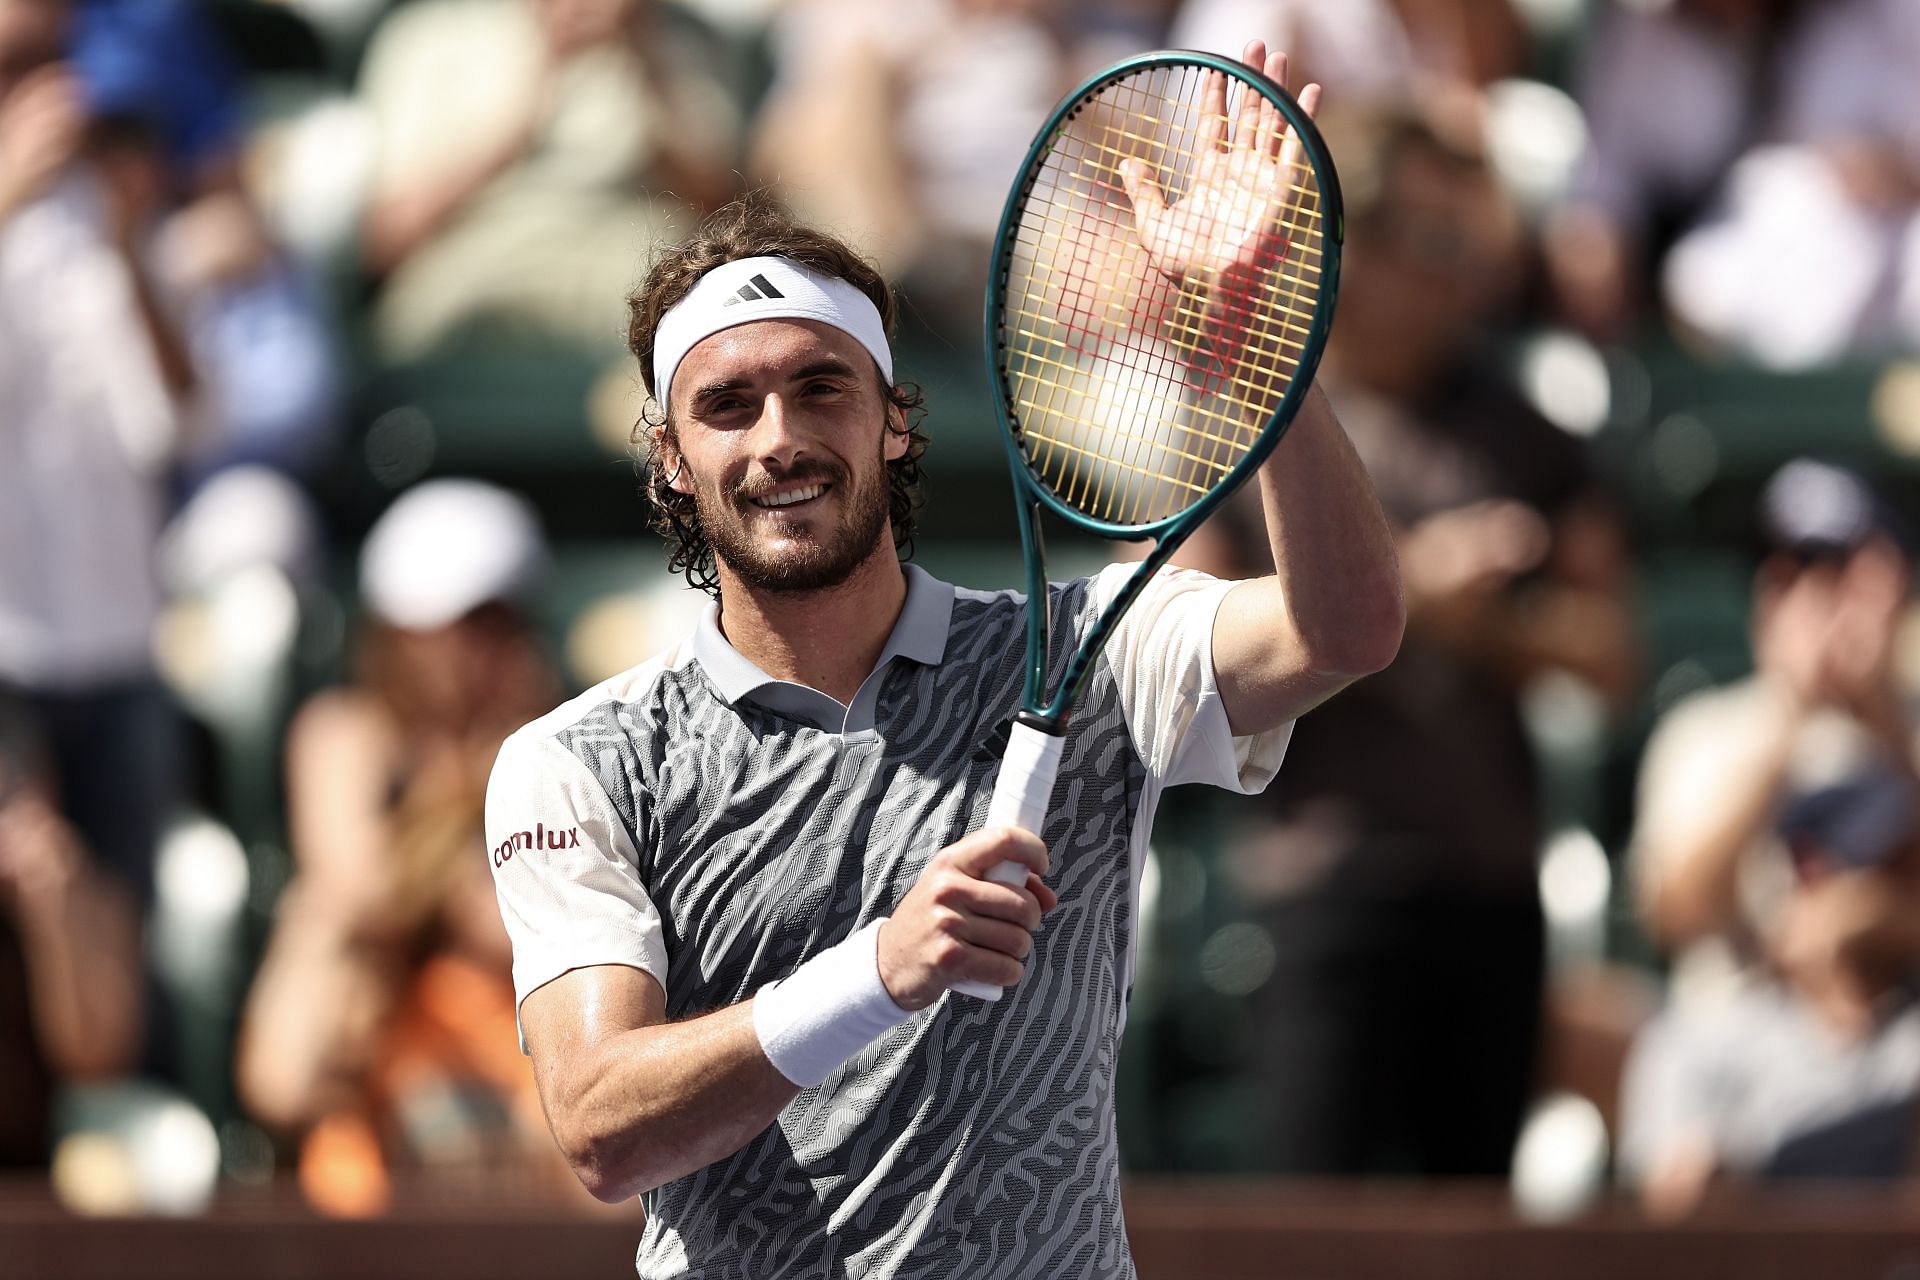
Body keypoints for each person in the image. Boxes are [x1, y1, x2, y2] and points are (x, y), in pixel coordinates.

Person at [485, 42, 1404, 1277]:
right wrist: (878, 970)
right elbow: (599, 1125)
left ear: (893, 418)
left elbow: (1342, 627)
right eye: (728, 405)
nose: (782, 438)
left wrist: (1254, 346)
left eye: (823, 387)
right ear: (667, 456)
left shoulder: (1088, 651)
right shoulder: (578, 761)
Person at [236, 480, 576, 1216]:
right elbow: (360, 892)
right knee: (319, 924)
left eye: (495, 623)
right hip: (371, 1037)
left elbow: (522, 933)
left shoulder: (561, 746)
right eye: (450, 625)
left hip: (510, 1047)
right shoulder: (346, 731)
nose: (469, 650)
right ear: (394, 633)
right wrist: (460, 791)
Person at [1632, 459, 1919, 1004]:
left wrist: (1880, 709)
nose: (1796, 597)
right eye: (1782, 573)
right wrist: (1792, 712)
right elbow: (1677, 913)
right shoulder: (1705, 729)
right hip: (1741, 1038)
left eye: (1831, 573)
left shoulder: (1909, 730)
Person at [1619, 761, 1920, 1217]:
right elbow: (1670, 1212)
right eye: (1885, 866)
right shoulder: (1700, 1037)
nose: (1903, 888)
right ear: (1808, 878)